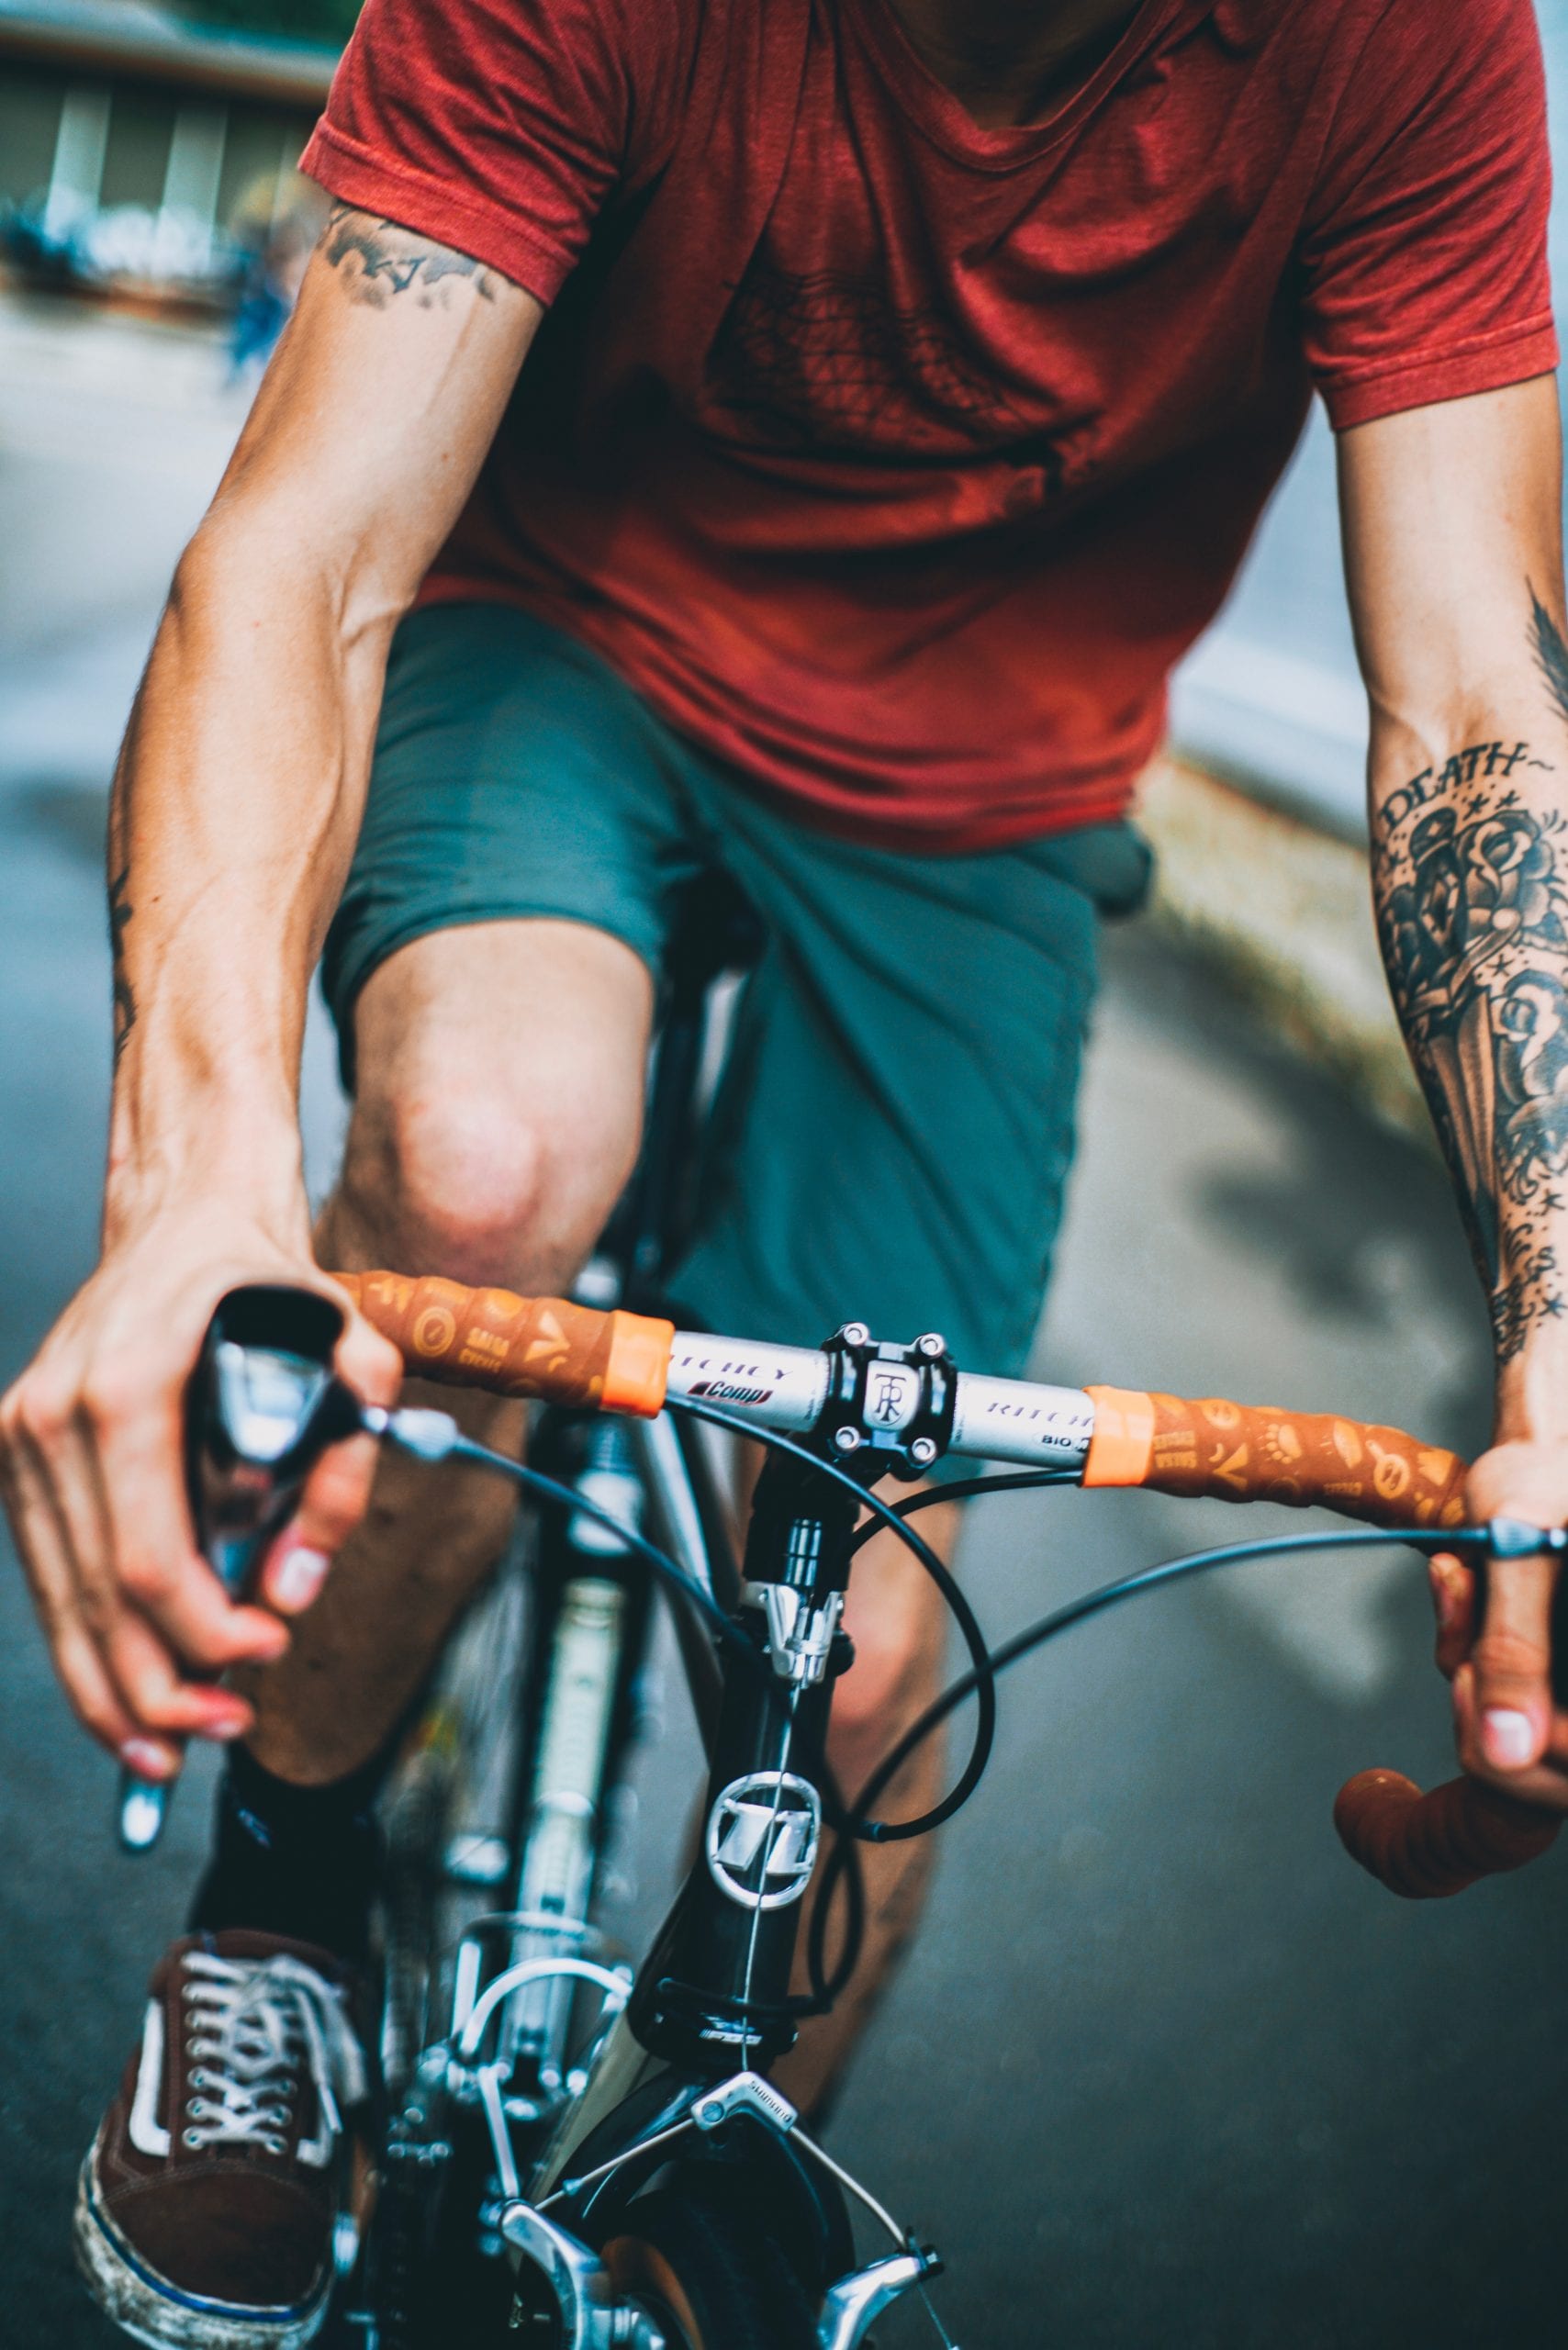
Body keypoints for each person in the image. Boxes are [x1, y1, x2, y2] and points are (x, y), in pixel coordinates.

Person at [5, 0, 1568, 2340]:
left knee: (863, 1679)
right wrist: (198, 1199)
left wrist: (1556, 1337)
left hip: (987, 797)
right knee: (480, 1161)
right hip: (554, 640)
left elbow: (1469, 699)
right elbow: (303, 547)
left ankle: (682, 2215)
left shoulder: (1406, 49)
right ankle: (284, 1903)